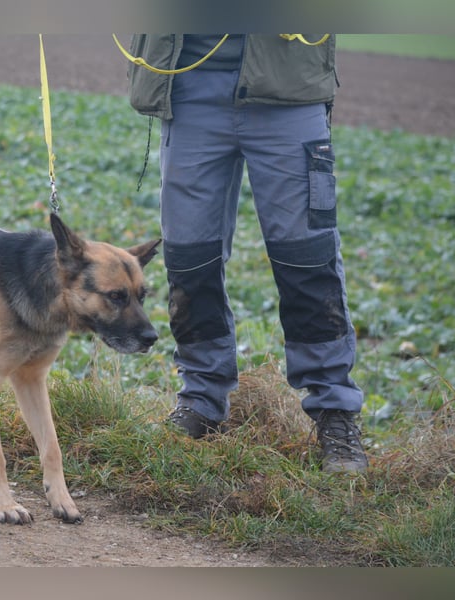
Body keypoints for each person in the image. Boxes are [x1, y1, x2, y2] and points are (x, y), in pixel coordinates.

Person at [126, 34, 368, 473]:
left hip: (288, 92)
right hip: (187, 86)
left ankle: (335, 411)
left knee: (307, 260)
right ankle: (201, 402)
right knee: (189, 259)